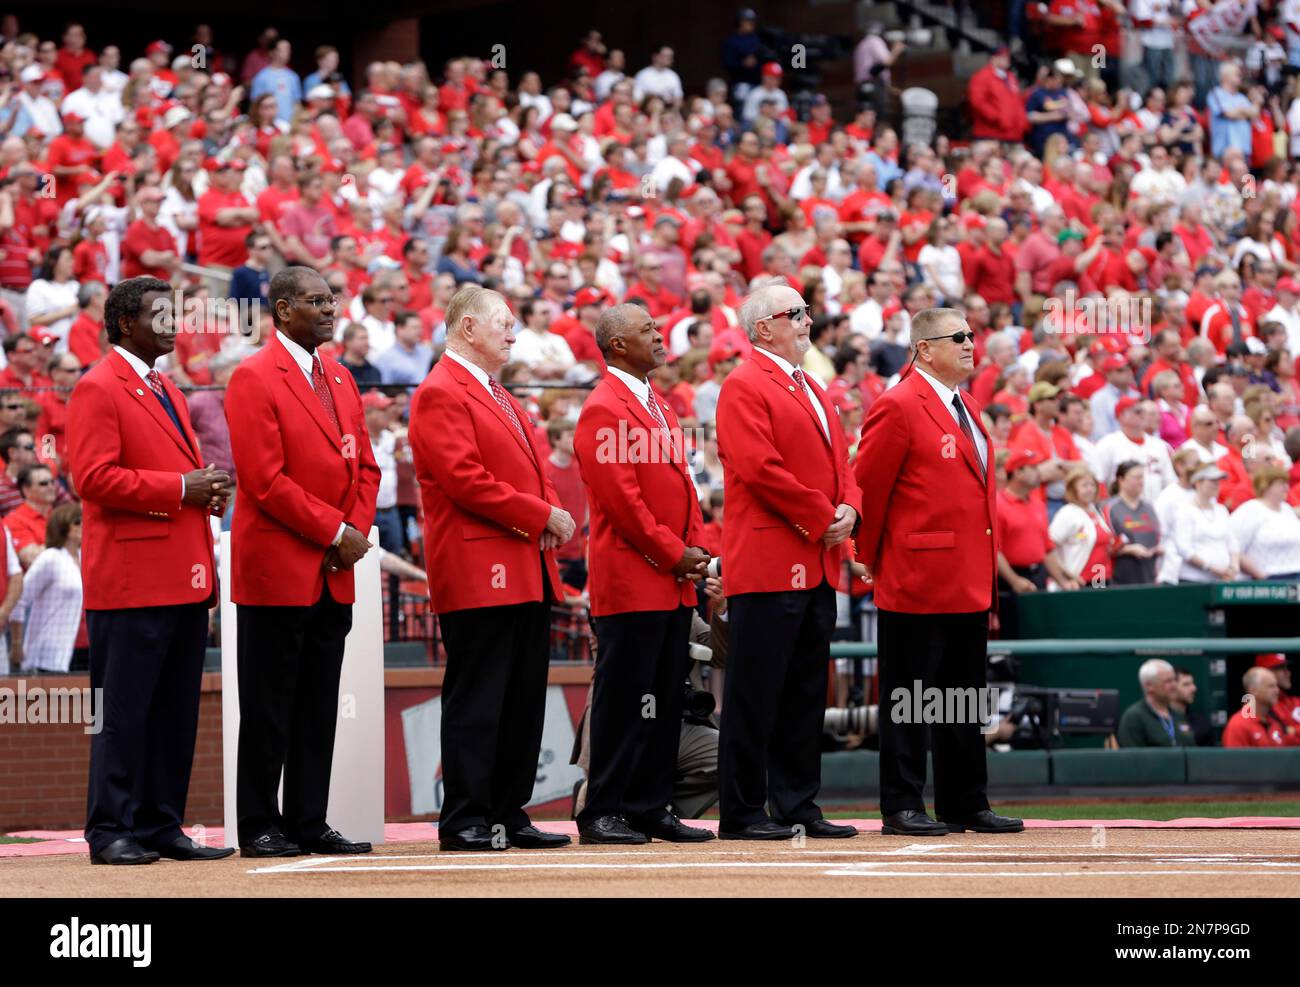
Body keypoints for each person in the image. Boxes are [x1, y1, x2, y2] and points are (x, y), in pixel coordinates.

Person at [68, 275, 233, 866]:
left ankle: (161, 823)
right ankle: (111, 829)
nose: (172, 324)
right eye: (159, 315)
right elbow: (91, 479)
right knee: (124, 715)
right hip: (132, 583)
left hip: (182, 577)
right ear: (123, 324)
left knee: (173, 714)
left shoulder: (168, 387)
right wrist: (180, 487)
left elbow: (168, 479)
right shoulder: (97, 387)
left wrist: (203, 490)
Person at [408, 284, 574, 853]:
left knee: (523, 698)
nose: (512, 331)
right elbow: (464, 480)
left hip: (523, 561)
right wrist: (542, 512)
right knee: (480, 697)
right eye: (502, 322)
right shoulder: (440, 390)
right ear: (467, 327)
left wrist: (546, 508)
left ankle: (508, 810)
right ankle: (465, 817)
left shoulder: (498, 392)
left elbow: (531, 467)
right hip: (480, 564)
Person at [224, 266, 380, 858]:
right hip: (278, 569)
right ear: (283, 310)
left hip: (334, 569)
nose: (330, 308)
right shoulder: (253, 376)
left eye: (332, 299)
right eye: (316, 300)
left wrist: (355, 531)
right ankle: (260, 823)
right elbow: (264, 481)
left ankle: (309, 819)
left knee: (318, 704)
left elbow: (366, 467)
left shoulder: (340, 376)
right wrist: (335, 530)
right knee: (267, 707)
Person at [855, 306, 1021, 836]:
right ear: (924, 348)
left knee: (962, 697)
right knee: (909, 697)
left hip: (968, 577)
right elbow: (871, 487)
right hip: (916, 576)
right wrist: (867, 555)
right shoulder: (899, 404)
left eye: (973, 334)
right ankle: (902, 803)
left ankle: (965, 800)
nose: (972, 343)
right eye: (959, 337)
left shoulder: (966, 404)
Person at [714, 282, 861, 841]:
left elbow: (842, 462)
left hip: (818, 559)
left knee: (804, 693)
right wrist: (826, 514)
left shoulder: (814, 386)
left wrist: (850, 505)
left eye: (806, 311)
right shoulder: (744, 383)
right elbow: (759, 467)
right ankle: (744, 811)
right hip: (771, 561)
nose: (807, 320)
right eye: (793, 313)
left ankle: (799, 804)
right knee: (755, 695)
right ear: (762, 328)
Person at [572, 303, 713, 845]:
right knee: (623, 702)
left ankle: (651, 806)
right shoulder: (603, 407)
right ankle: (602, 810)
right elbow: (622, 504)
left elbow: (684, 485)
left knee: (664, 700)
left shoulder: (659, 404)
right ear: (616, 346)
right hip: (633, 581)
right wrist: (674, 552)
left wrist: (696, 545)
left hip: (671, 580)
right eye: (647, 330)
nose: (659, 336)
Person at [14, 503, 83, 674]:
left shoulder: (86, 557)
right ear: (63, 525)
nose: (84, 525)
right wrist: (16, 643)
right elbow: (20, 599)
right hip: (49, 651)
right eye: (78, 521)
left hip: (85, 646)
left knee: (92, 700)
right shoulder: (50, 558)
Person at [1049, 467, 1119, 587]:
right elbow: (1049, 548)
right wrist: (1066, 576)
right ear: (1073, 489)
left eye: (1092, 485)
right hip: (1078, 581)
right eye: (1084, 485)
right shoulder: (1067, 513)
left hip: (1100, 580)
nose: (1090, 489)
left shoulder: (1096, 511)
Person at [1172, 464, 1241, 584]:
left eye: (1218, 481)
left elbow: (1232, 542)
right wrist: (1211, 567)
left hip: (1222, 580)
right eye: (1212, 481)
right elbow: (1184, 548)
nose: (1217, 485)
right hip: (1194, 580)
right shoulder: (1185, 510)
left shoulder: (1221, 510)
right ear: (1198, 483)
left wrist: (1234, 567)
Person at [1230, 465, 1300, 580]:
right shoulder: (1250, 510)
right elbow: (1235, 547)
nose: (1286, 488)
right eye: (1281, 484)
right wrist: (1261, 576)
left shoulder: (1287, 509)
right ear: (1266, 486)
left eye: (1286, 483)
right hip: (1267, 578)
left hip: (1296, 575)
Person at [1105, 461, 1163, 585]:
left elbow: (1157, 536)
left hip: (1149, 576)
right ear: (1121, 480)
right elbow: (1103, 545)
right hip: (1121, 578)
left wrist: (1158, 549)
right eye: (1136, 477)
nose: (1140, 481)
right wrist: (1128, 549)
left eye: (1142, 477)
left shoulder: (1149, 507)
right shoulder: (1109, 508)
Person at [1116, 659, 1196, 747]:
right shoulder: (1134, 717)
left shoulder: (1178, 716)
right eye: (1168, 681)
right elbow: (1133, 757)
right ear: (1149, 686)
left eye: (1174, 680)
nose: (1174, 685)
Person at [1222, 667, 1294, 747]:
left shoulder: (1275, 722)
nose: (1277, 691)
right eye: (1271, 686)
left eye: (1276, 686)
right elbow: (1234, 759)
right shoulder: (1238, 725)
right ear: (1253, 691)